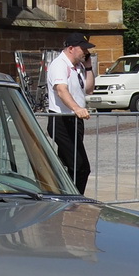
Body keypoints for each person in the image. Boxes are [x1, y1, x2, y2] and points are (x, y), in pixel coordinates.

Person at [46, 33, 94, 195]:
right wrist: (76, 108)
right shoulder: (59, 65)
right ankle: (75, 200)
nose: (86, 52)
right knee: (80, 167)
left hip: (75, 121)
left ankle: (64, 197)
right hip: (62, 120)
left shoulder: (78, 66)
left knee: (67, 166)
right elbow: (61, 90)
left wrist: (88, 67)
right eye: (83, 48)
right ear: (71, 48)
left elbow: (89, 89)